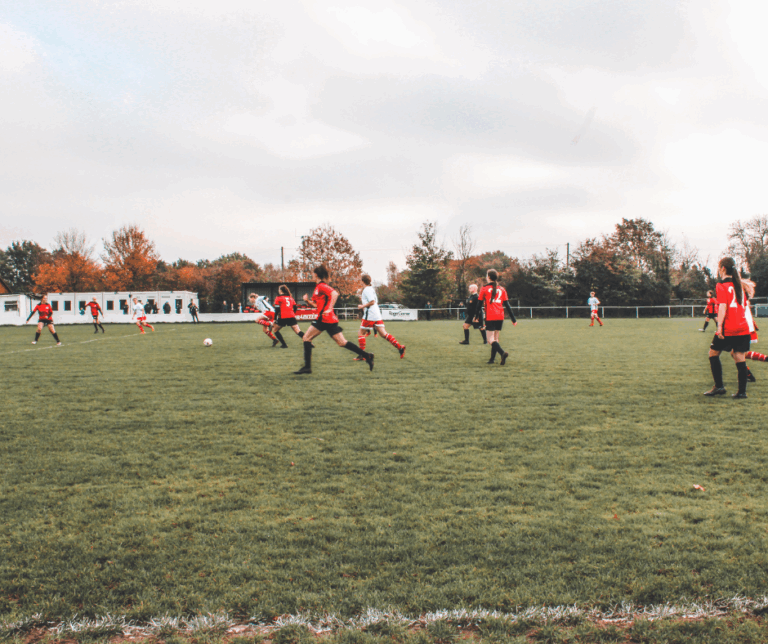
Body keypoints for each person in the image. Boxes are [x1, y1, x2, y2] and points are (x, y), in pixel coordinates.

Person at [294, 265, 374, 374]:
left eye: (313, 273)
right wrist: (307, 301)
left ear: (316, 274)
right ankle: (367, 356)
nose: (312, 275)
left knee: (306, 338)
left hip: (324, 318)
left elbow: (334, 293)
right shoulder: (318, 288)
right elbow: (316, 306)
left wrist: (329, 308)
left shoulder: (322, 286)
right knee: (342, 342)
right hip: (327, 319)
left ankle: (307, 367)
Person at [704, 257, 751, 398]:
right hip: (743, 327)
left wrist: (719, 327)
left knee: (713, 354)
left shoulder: (721, 285)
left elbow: (723, 307)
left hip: (728, 328)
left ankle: (719, 386)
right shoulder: (740, 285)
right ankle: (741, 392)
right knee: (739, 357)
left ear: (722, 268)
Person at [356, 274, 406, 360]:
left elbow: (372, 302)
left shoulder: (366, 290)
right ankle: (400, 347)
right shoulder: (371, 289)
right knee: (383, 334)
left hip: (370, 314)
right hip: (376, 314)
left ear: (362, 281)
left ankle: (362, 355)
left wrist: (362, 306)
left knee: (361, 333)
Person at [478, 269, 517, 365]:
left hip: (491, 316)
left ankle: (502, 353)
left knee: (490, 339)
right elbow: (507, 305)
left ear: (489, 277)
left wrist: (476, 316)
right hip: (500, 316)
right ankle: (492, 359)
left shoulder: (484, 288)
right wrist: (513, 319)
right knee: (495, 338)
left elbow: (479, 304)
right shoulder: (502, 289)